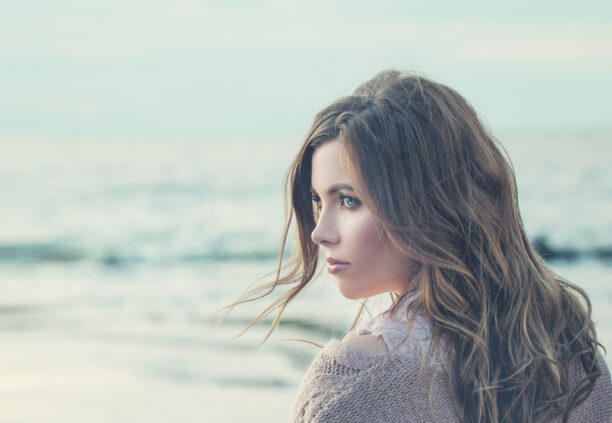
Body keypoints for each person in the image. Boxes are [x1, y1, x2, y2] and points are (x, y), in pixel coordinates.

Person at [222, 70, 612, 422]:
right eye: (317, 201)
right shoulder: (569, 353)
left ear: (425, 205)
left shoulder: (351, 390)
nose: (319, 232)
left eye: (348, 200)